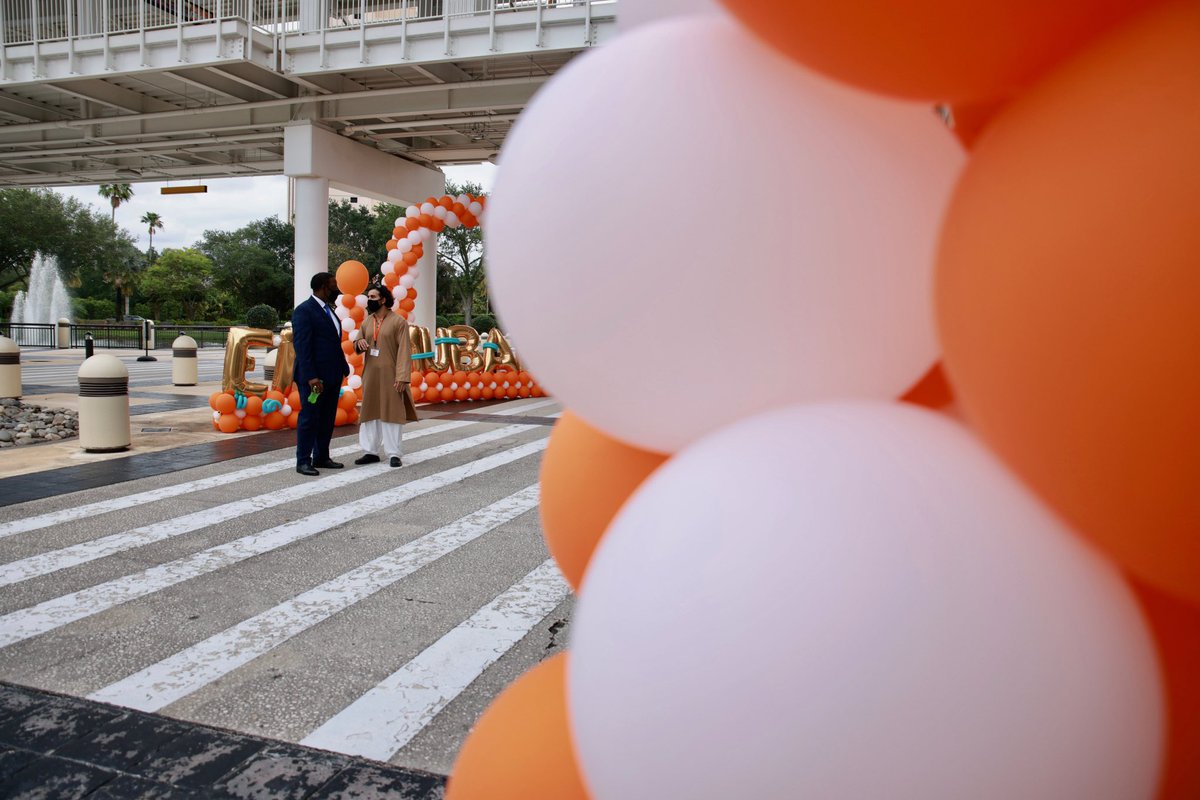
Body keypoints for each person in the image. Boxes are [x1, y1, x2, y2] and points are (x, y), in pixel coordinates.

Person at [354, 284, 419, 467]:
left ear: (383, 299)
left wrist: (402, 377)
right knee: (369, 412)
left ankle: (393, 454)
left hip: (391, 376)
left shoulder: (398, 322)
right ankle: (370, 452)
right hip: (371, 375)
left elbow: (404, 351)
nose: (369, 301)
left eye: (373, 297)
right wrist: (359, 343)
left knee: (391, 413)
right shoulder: (368, 321)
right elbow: (357, 342)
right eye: (369, 297)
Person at [292, 272, 350, 476]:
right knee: (310, 418)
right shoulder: (304, 311)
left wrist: (343, 367)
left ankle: (322, 456)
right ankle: (303, 461)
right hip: (314, 379)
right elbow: (302, 347)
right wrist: (312, 377)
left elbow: (333, 343)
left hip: (333, 375)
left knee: (327, 417)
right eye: (334, 285)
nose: (336, 289)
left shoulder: (330, 311)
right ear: (323, 287)